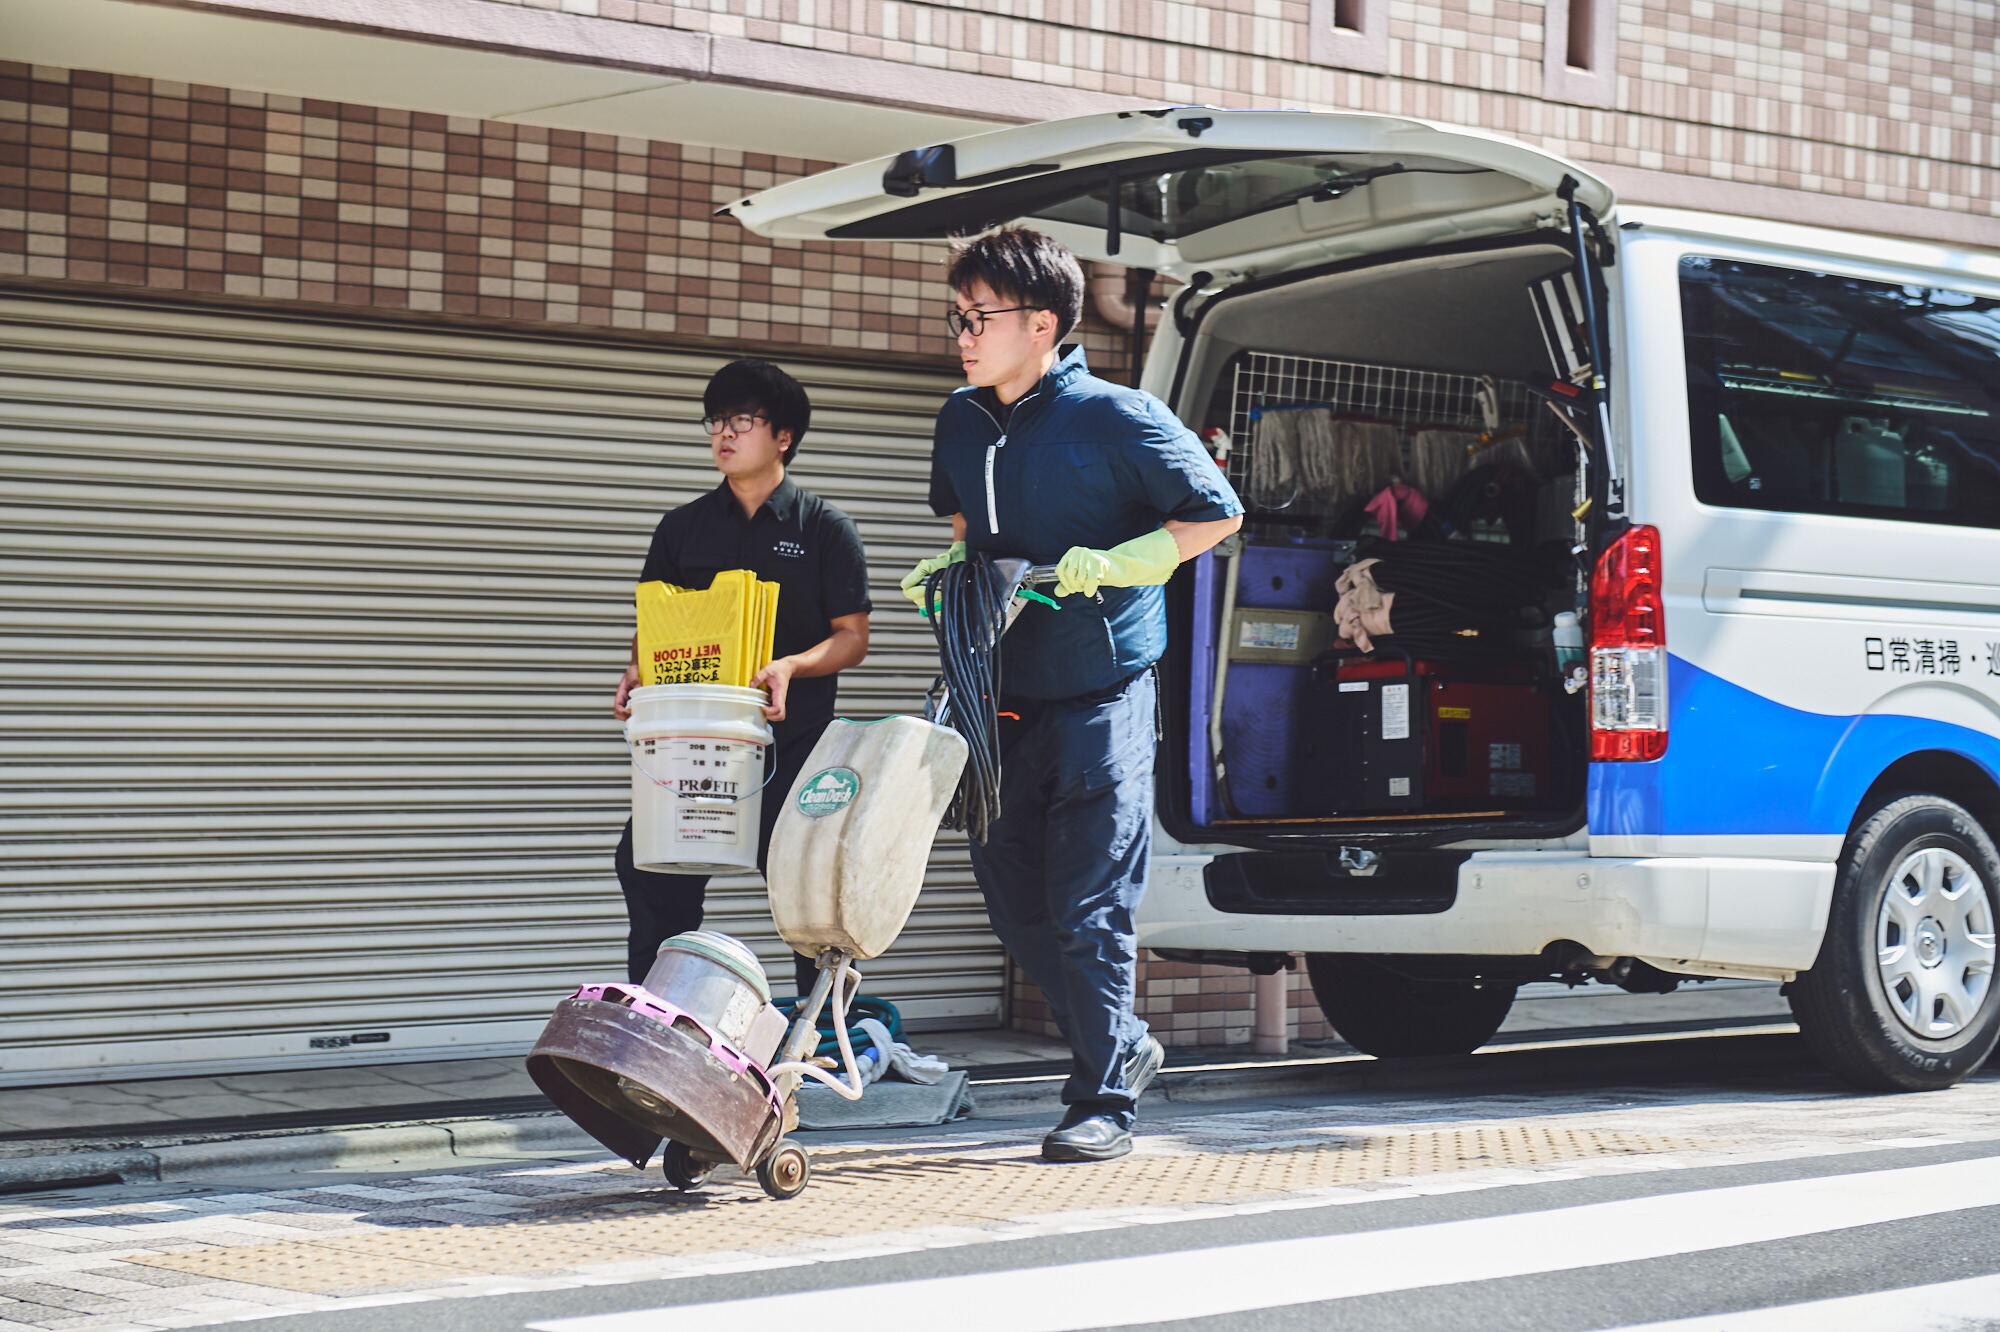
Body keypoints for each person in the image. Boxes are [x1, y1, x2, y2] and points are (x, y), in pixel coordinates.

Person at [903, 229, 1243, 1162]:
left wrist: (1134, 561)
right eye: (958, 318)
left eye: (980, 318)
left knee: (1090, 901)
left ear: (1043, 323)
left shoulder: (1119, 416)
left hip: (1106, 692)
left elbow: (1216, 511)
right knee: (1012, 900)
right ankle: (1123, 1044)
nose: (962, 335)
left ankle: (1101, 1100)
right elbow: (972, 523)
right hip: (1001, 691)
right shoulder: (961, 421)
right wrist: (955, 565)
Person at [613, 358, 872, 998]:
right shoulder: (683, 527)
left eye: (741, 421)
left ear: (783, 436)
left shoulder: (825, 529)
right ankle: (659, 1024)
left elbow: (852, 637)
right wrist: (635, 668)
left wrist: (790, 665)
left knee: (808, 895)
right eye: (715, 422)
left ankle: (813, 1043)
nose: (722, 435)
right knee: (647, 871)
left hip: (792, 745)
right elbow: (660, 621)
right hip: (694, 745)